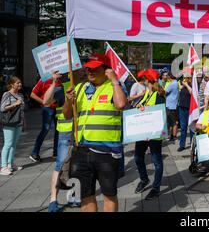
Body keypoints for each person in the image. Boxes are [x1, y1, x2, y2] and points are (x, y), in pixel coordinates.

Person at [63, 53, 127, 212]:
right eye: (88, 69)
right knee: (85, 195)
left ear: (106, 71)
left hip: (107, 152)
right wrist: (68, 100)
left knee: (109, 194)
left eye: (95, 69)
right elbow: (67, 115)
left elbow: (120, 104)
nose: (90, 73)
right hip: (81, 150)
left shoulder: (115, 86)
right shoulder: (80, 88)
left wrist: (114, 80)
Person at [43, 69, 86, 212]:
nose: (84, 72)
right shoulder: (65, 87)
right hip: (66, 135)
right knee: (60, 166)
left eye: (85, 69)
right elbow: (46, 101)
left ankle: (74, 197)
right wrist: (54, 82)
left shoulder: (87, 87)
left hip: (83, 134)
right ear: (72, 72)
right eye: (80, 70)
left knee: (77, 167)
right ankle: (53, 200)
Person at [133, 69, 166, 200]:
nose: (144, 82)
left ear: (149, 81)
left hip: (154, 134)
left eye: (145, 80)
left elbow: (157, 115)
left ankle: (156, 188)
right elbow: (144, 108)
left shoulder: (159, 95)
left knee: (157, 161)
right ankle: (144, 179)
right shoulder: (147, 93)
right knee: (137, 157)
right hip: (143, 132)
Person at [29, 75, 61, 162]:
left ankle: (56, 152)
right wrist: (43, 102)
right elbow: (32, 94)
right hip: (48, 108)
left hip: (58, 108)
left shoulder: (61, 79)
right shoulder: (44, 79)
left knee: (58, 130)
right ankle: (34, 153)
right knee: (45, 129)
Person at [1, 76, 26, 175]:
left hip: (19, 122)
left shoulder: (20, 95)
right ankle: (3, 167)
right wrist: (15, 104)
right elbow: (2, 108)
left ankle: (10, 163)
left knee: (14, 144)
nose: (20, 84)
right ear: (12, 84)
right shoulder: (7, 95)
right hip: (9, 122)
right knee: (8, 144)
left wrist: (24, 123)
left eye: (20, 83)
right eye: (17, 83)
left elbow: (22, 111)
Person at [178, 68, 193, 151]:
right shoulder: (182, 82)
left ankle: (192, 144)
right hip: (182, 106)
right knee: (183, 127)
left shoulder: (192, 83)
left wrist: (186, 85)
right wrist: (183, 85)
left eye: (184, 73)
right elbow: (179, 89)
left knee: (191, 127)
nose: (183, 74)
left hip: (189, 107)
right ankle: (182, 144)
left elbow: (192, 92)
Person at [164, 71, 179, 146]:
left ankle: (174, 136)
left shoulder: (172, 84)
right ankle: (172, 136)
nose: (167, 77)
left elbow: (165, 92)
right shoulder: (176, 83)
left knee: (173, 122)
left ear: (170, 76)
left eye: (168, 76)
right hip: (173, 104)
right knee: (171, 122)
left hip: (171, 105)